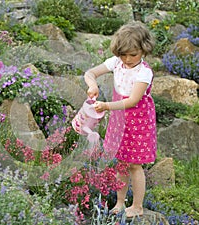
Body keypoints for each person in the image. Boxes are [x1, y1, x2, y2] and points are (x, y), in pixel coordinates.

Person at [84, 21, 157, 218]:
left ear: (144, 50)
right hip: (119, 120)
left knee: (135, 164)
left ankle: (138, 205)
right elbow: (90, 73)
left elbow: (133, 101)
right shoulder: (117, 62)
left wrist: (106, 106)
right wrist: (92, 85)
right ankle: (120, 202)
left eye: (133, 54)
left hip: (138, 121)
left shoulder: (143, 72)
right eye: (123, 54)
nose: (127, 59)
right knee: (121, 162)